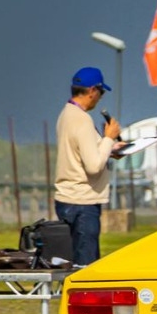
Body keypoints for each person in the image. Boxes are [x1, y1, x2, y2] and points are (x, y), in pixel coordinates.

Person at [54, 67, 123, 267]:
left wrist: (110, 148)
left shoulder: (66, 114)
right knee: (86, 266)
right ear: (92, 90)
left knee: (71, 263)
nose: (100, 98)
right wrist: (109, 138)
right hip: (83, 203)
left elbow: (81, 152)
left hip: (67, 198)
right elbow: (93, 166)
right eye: (101, 92)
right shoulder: (83, 120)